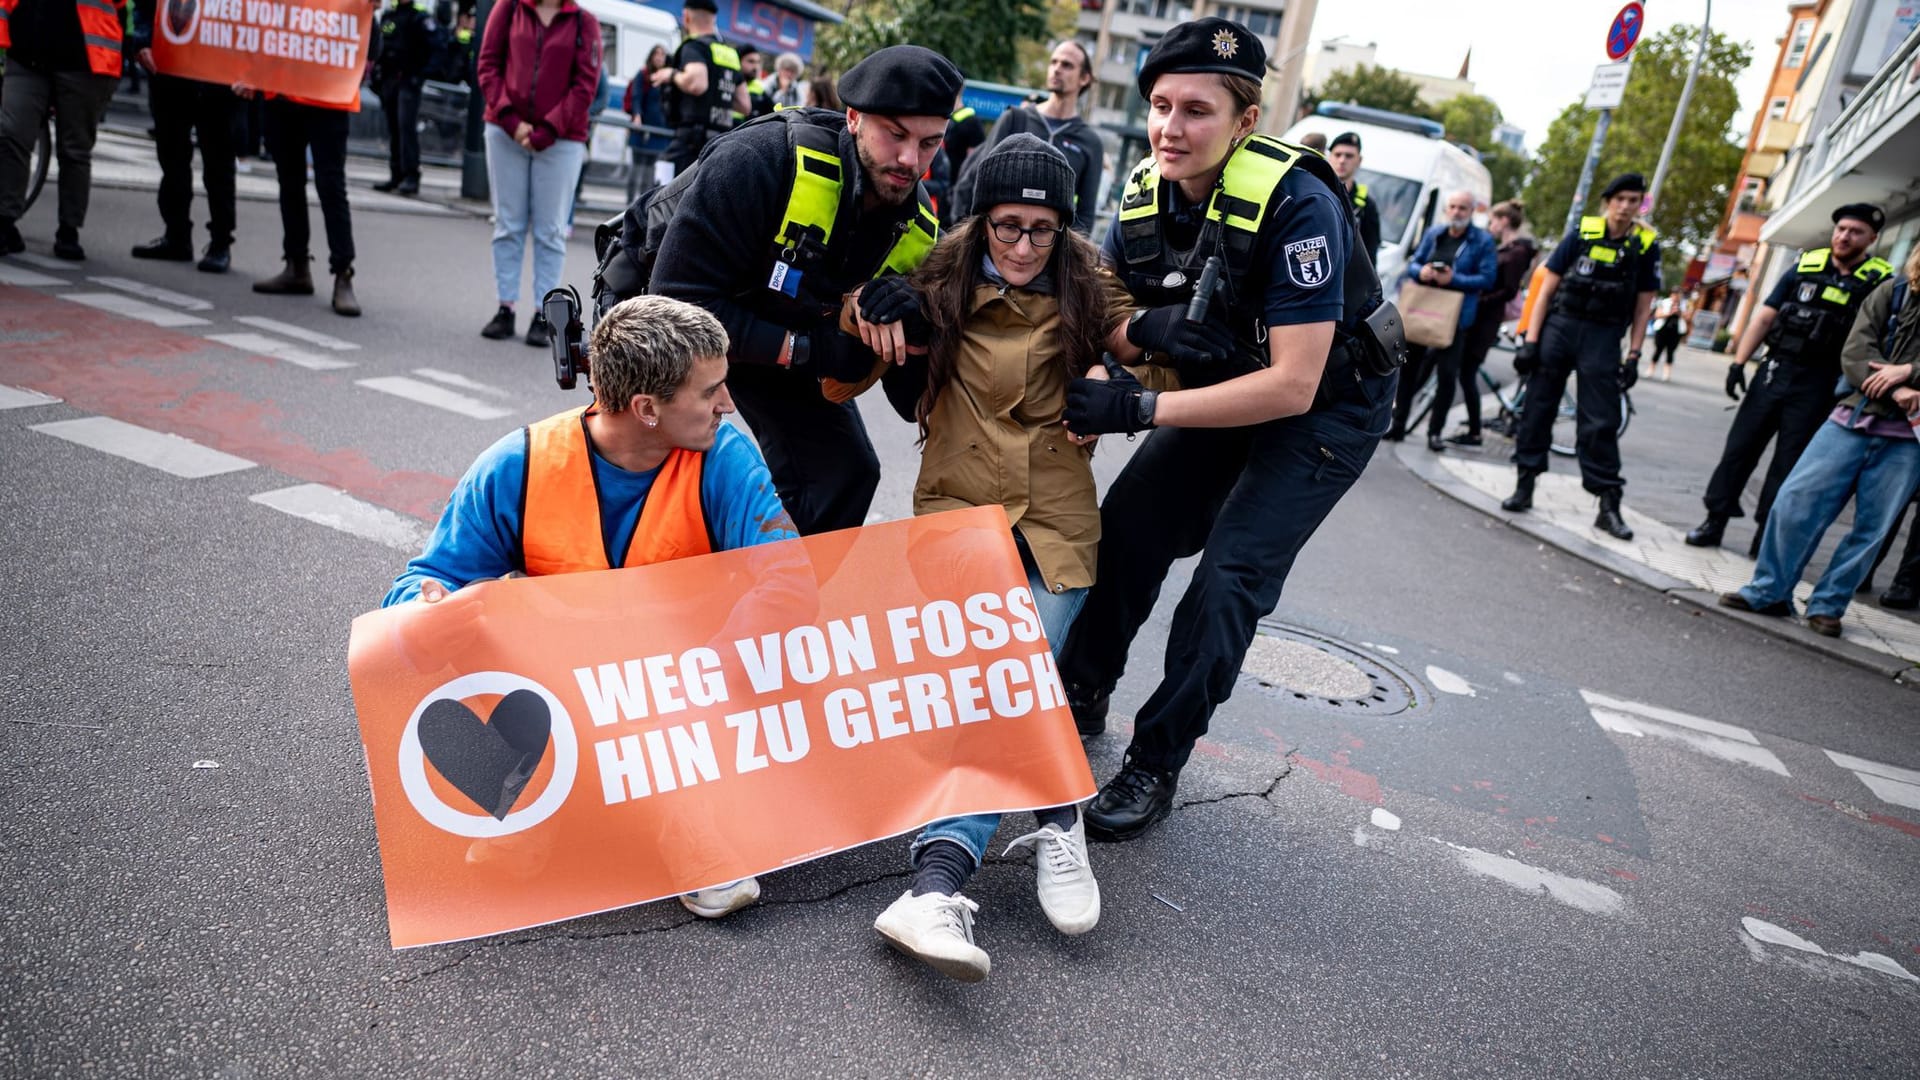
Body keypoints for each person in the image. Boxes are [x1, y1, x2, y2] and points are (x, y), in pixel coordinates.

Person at [1051, 18, 1399, 841]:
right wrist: (1149, 335)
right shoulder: (1145, 193)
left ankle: (1156, 761)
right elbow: (1105, 317)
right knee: (1128, 533)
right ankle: (1081, 692)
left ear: (1245, 121)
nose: (1171, 128)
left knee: (1226, 580)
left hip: (1327, 407)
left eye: (1197, 110)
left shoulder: (1299, 201)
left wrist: (1139, 407)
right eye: (1161, 106)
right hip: (1224, 386)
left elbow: (1293, 383)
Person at [383, 294, 798, 919]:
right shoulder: (517, 466)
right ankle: (529, 801)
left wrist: (711, 671)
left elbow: (789, 582)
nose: (728, 404)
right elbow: (419, 583)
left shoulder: (723, 457)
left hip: (677, 694)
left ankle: (675, 821)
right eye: (711, 389)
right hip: (564, 689)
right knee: (446, 626)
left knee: (774, 649)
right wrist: (426, 605)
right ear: (647, 409)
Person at [841, 135, 1120, 981]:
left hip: (1057, 525)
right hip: (961, 518)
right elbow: (861, 331)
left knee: (1008, 679)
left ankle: (934, 886)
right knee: (998, 685)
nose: (1026, 246)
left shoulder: (1090, 282)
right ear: (981, 219)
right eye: (1009, 226)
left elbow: (1149, 352)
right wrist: (873, 308)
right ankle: (1062, 812)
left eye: (1043, 229)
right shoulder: (944, 273)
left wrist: (1117, 375)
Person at [642, 45, 958, 535]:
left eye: (929, 143)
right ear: (853, 117)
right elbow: (674, 304)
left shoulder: (919, 231)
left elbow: (907, 400)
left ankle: (784, 599)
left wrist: (918, 321)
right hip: (673, 326)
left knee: (845, 473)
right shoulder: (759, 160)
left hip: (777, 339)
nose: (908, 159)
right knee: (670, 473)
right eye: (895, 135)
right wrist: (809, 351)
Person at [1719, 245, 1920, 639]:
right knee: (1795, 501)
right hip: (1853, 417)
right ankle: (1769, 591)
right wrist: (1895, 388)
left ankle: (1828, 605)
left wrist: (1910, 371)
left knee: (1872, 528)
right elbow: (1857, 347)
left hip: (1908, 438)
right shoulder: (1891, 291)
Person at [1685, 205, 1892, 552]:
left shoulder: (1879, 282)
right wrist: (1738, 363)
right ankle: (1714, 520)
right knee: (1740, 448)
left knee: (1790, 461)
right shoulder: (1804, 268)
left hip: (1821, 382)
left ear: (1872, 238)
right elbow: (1765, 317)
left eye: (1855, 231)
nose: (1844, 236)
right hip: (1775, 370)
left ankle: (1766, 533)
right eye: (1840, 228)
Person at [1501, 173, 1660, 541]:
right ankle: (1524, 486)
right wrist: (1531, 339)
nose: (1625, 206)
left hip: (1604, 336)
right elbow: (1545, 290)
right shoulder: (1582, 232)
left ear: (1640, 205)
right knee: (1539, 407)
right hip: (1562, 327)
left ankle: (1608, 504)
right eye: (1619, 199)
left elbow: (1643, 307)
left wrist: (1634, 354)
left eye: (1633, 200)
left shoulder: (1645, 244)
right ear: (1608, 202)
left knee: (1600, 420)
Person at [475, 0, 600, 348]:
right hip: (504, 131)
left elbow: (585, 85)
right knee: (507, 224)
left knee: (551, 231)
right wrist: (511, 121)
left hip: (561, 140)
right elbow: (488, 66)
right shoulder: (509, 8)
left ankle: (544, 315)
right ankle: (505, 308)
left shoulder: (584, 22)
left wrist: (548, 128)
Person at [246, 1, 374, 318]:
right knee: (289, 181)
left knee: (330, 186)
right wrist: (251, 72)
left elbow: (369, 40)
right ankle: (296, 266)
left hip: (328, 96)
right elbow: (262, 27)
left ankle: (342, 274)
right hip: (283, 92)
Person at [0, 0, 124, 260]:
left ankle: (69, 230)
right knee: (11, 133)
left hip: (83, 59)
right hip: (26, 54)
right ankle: (5, 220)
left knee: (74, 149)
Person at [127, 0, 238, 272]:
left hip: (218, 71)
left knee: (218, 159)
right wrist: (142, 42)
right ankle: (177, 234)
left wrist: (248, 67)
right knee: (171, 152)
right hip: (171, 65)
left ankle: (220, 242)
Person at [950, 40, 1101, 236]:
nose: (1056, 69)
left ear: (1084, 78)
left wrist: (1069, 258)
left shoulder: (1090, 142)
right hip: (997, 239)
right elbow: (978, 182)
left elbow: (1086, 215)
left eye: (1067, 65)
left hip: (1049, 249)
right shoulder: (1015, 119)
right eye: (1053, 62)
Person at [1387, 189, 1496, 451]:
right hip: (1422, 311)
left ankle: (1434, 432)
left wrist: (1453, 279)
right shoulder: (1435, 234)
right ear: (1447, 210)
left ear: (1471, 212)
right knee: (1408, 371)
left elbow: (1488, 278)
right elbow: (1413, 263)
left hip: (1454, 318)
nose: (1457, 212)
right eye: (1453, 207)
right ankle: (1397, 424)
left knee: (1447, 376)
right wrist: (1421, 271)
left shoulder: (1482, 241)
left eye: (1463, 208)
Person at [1448, 199, 1534, 446]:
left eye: (1494, 220)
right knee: (1463, 372)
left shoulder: (1517, 252)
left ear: (1504, 221)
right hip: (1481, 318)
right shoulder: (1506, 249)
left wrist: (1479, 298)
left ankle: (1475, 431)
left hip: (1486, 321)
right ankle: (1473, 428)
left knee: (1467, 374)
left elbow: (1508, 290)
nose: (1491, 225)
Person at [652, 0, 745, 176]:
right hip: (721, 141)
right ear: (714, 19)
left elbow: (697, 84)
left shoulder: (694, 46)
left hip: (691, 141)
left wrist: (670, 74)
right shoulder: (730, 53)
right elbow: (743, 104)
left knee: (661, 193)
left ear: (686, 16)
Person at [371, 0, 442, 196]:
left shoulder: (419, 18)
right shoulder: (389, 16)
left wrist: (420, 76)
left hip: (408, 81)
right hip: (389, 80)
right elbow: (380, 46)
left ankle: (411, 176)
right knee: (394, 129)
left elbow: (437, 48)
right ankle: (397, 175)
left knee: (405, 128)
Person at [1327, 131, 1381, 265]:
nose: (1342, 160)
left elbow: (1370, 254)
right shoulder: (1315, 194)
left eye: (1349, 156)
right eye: (1338, 155)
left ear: (1359, 160)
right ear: (1329, 157)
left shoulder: (1366, 205)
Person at [623, 43, 672, 176]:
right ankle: (632, 197)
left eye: (662, 54)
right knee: (636, 169)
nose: (659, 58)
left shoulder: (669, 79)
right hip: (642, 130)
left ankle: (646, 197)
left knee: (651, 172)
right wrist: (637, 115)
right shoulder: (643, 74)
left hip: (660, 131)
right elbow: (636, 97)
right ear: (651, 56)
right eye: (656, 54)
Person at [1648, 289, 1686, 380]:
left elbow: (1687, 317)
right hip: (1662, 329)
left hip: (1676, 331)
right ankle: (1651, 370)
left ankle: (1667, 374)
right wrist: (1670, 313)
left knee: (1670, 352)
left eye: (1678, 295)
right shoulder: (1664, 302)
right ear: (1671, 295)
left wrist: (1679, 313)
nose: (1676, 297)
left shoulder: (1683, 305)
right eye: (1675, 295)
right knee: (1658, 349)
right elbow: (1657, 315)